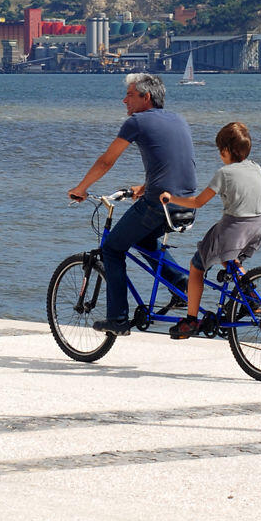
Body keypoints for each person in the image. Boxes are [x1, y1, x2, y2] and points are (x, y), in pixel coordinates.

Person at [68, 72, 197, 336]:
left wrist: (82, 188)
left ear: (145, 97)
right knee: (144, 240)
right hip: (187, 203)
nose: (124, 100)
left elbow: (107, 160)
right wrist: (145, 187)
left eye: (129, 95)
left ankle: (117, 318)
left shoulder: (137, 121)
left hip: (158, 204)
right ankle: (180, 284)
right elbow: (173, 164)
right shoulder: (178, 119)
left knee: (112, 248)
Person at [160, 120, 261, 340]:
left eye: (220, 150)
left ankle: (190, 320)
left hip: (234, 227)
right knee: (232, 262)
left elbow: (198, 202)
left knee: (196, 266)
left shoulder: (224, 173)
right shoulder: (257, 167)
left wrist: (172, 198)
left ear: (226, 150)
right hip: (258, 226)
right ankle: (253, 301)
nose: (220, 154)